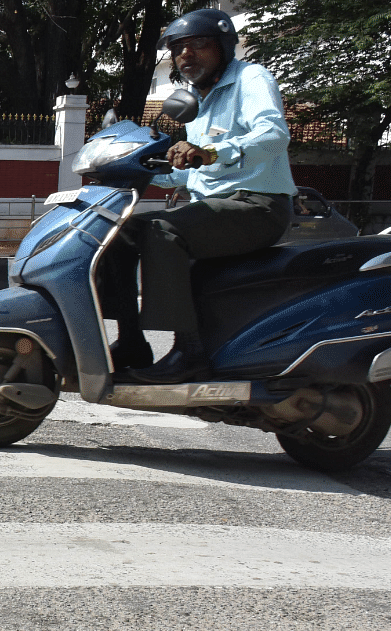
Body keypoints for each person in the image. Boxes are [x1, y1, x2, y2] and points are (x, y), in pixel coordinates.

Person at [100, 8, 297, 384]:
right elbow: (189, 172)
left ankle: (187, 353)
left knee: (161, 230)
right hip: (212, 208)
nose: (186, 55)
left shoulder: (250, 79)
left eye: (198, 45)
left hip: (257, 206)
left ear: (223, 47)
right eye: (178, 49)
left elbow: (273, 135)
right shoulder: (196, 101)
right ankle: (130, 342)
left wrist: (213, 152)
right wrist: (138, 169)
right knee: (117, 231)